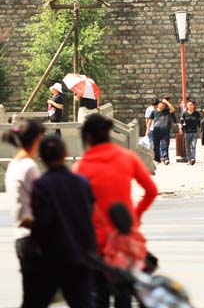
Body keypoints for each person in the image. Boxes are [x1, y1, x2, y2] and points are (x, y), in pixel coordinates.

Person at [74, 112, 158, 308]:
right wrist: (134, 217)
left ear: (86, 137)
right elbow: (151, 192)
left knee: (99, 294)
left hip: (96, 242)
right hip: (125, 238)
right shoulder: (127, 157)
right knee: (124, 294)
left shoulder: (81, 168)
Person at [29, 134, 96, 308]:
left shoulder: (41, 186)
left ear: (41, 157)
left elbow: (43, 223)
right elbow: (90, 215)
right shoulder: (82, 183)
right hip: (81, 255)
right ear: (65, 153)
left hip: (52, 257)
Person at [3, 119, 45, 308]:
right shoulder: (28, 167)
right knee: (36, 296)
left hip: (22, 237)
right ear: (36, 139)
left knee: (33, 294)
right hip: (32, 237)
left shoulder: (14, 164)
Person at [151, 96, 176, 165]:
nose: (163, 105)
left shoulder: (167, 111)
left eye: (164, 104)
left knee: (165, 145)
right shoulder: (154, 112)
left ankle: (165, 158)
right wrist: (147, 129)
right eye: (162, 104)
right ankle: (157, 159)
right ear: (158, 104)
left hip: (165, 131)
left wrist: (166, 102)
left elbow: (172, 109)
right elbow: (149, 121)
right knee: (156, 146)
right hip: (156, 131)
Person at [180, 99, 201, 165]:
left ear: (194, 106)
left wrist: (200, 131)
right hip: (186, 132)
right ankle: (189, 159)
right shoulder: (185, 113)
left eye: (191, 105)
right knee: (187, 146)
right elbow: (181, 122)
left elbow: (199, 123)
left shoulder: (196, 113)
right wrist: (181, 129)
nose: (190, 106)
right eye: (188, 105)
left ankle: (193, 158)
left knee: (193, 145)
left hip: (194, 132)